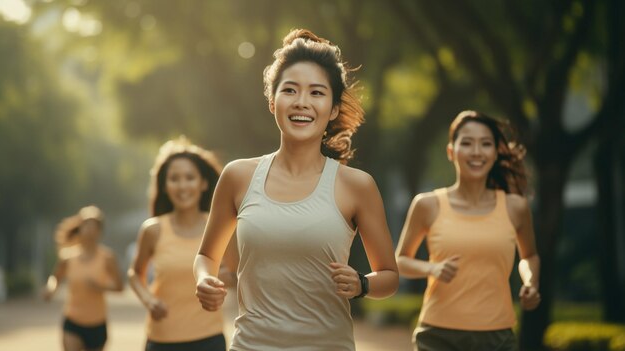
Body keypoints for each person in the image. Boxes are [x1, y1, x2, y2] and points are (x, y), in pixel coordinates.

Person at [193, 28, 399, 351]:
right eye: (290, 90)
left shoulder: (357, 186)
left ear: (332, 109)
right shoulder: (238, 177)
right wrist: (204, 279)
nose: (302, 102)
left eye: (317, 93)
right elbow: (207, 255)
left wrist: (361, 284)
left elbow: (389, 275)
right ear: (272, 102)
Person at [395, 110, 541, 350]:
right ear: (451, 151)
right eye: (467, 143)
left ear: (496, 153)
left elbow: (529, 256)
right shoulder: (427, 205)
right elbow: (400, 261)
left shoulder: (516, 207)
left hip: (497, 337)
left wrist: (531, 282)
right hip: (438, 336)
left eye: (485, 144)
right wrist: (432, 268)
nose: (476, 152)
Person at [128, 137, 236, 351]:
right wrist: (149, 301)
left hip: (209, 339)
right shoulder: (153, 230)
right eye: (174, 179)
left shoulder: (221, 227)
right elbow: (135, 274)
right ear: (165, 186)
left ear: (203, 183)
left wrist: (226, 280)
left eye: (189, 178)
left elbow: (238, 277)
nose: (182, 186)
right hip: (162, 340)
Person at [44, 205, 124, 351]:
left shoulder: (107, 258)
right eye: (86, 224)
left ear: (100, 231)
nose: (90, 229)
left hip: (97, 324)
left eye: (94, 225)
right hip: (73, 321)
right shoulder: (67, 257)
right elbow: (55, 278)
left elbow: (120, 287)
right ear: (79, 228)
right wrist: (51, 289)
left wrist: (100, 287)